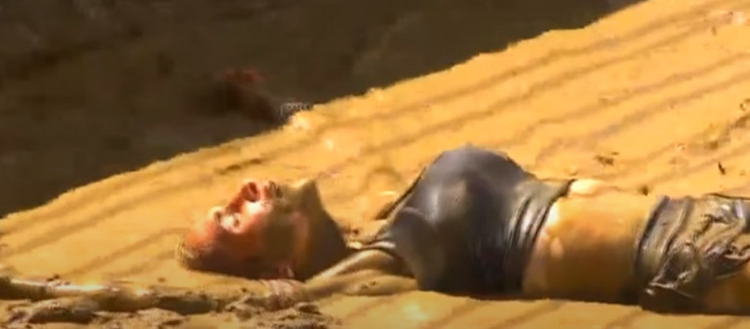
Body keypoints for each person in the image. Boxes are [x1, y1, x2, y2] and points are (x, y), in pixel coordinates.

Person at [177, 145, 750, 314]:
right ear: (276, 268)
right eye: (233, 218)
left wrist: (270, 103)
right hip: (693, 256)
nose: (242, 190)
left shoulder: (392, 212)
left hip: (709, 211)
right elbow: (291, 298)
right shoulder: (393, 261)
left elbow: (340, 135)